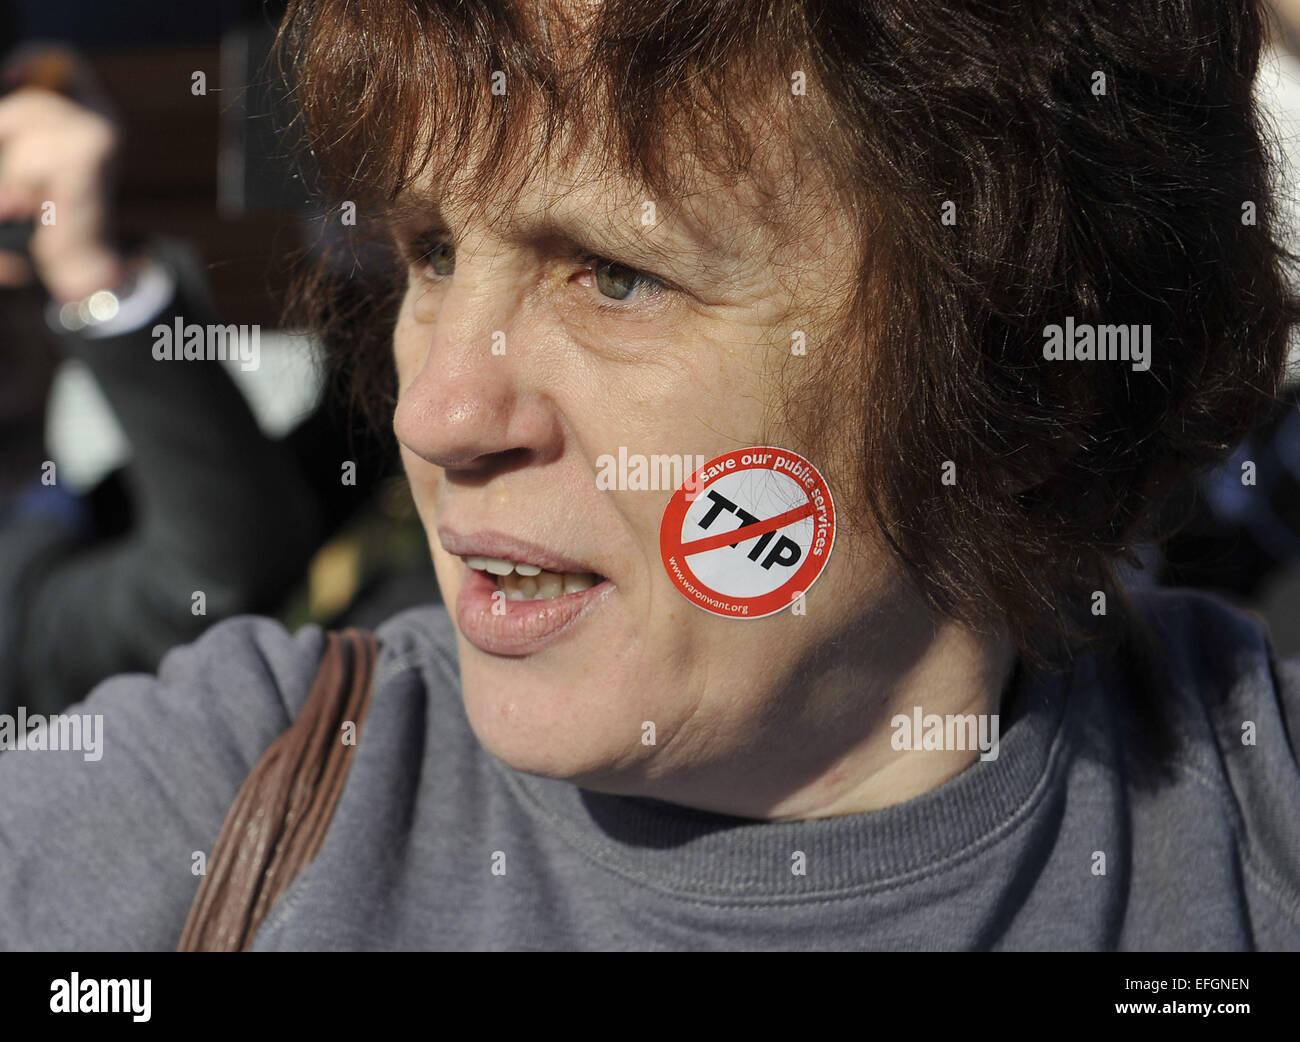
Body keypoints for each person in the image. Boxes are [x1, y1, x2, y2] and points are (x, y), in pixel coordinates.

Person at [1, 0, 1298, 951]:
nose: (441, 408)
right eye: (433, 252)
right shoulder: (237, 787)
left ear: (1024, 368)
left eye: (617, 275)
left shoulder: (1256, 797)